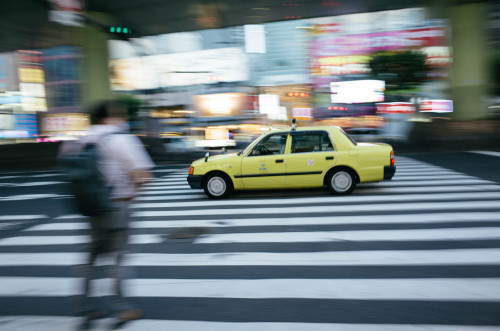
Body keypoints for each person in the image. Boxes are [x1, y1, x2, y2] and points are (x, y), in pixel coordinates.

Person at [63, 100, 155, 330]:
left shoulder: (81, 141)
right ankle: (122, 308)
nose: (124, 118)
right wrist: (133, 194)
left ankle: (85, 311)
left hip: (92, 209)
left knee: (89, 261)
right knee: (117, 260)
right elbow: (143, 175)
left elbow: (69, 171)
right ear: (112, 116)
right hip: (117, 206)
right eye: (121, 114)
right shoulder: (122, 139)